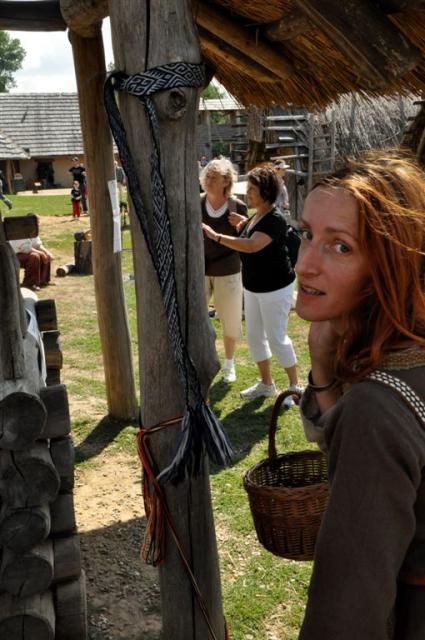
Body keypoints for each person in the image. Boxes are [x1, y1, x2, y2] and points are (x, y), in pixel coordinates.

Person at [296, 151, 425, 640]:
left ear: (390, 264)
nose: (305, 265)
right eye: (306, 234)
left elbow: (347, 614)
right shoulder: (405, 362)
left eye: (340, 246)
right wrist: (324, 366)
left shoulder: (378, 407)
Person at [203, 165, 302, 399]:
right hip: (253, 287)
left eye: (252, 189)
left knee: (276, 338)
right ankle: (267, 384)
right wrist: (243, 224)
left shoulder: (274, 219)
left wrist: (216, 236)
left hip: (275, 288)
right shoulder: (256, 216)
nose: (247, 192)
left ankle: (295, 387)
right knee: (255, 337)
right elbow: (250, 235)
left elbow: (251, 245)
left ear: (265, 192)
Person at [200, 157, 248, 383]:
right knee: (197, 318)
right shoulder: (196, 203)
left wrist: (243, 224)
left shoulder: (236, 206)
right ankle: (200, 360)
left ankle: (229, 364)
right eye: (206, 176)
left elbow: (246, 240)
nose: (208, 180)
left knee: (230, 320)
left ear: (226, 181)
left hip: (228, 270)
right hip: (199, 270)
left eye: (214, 177)